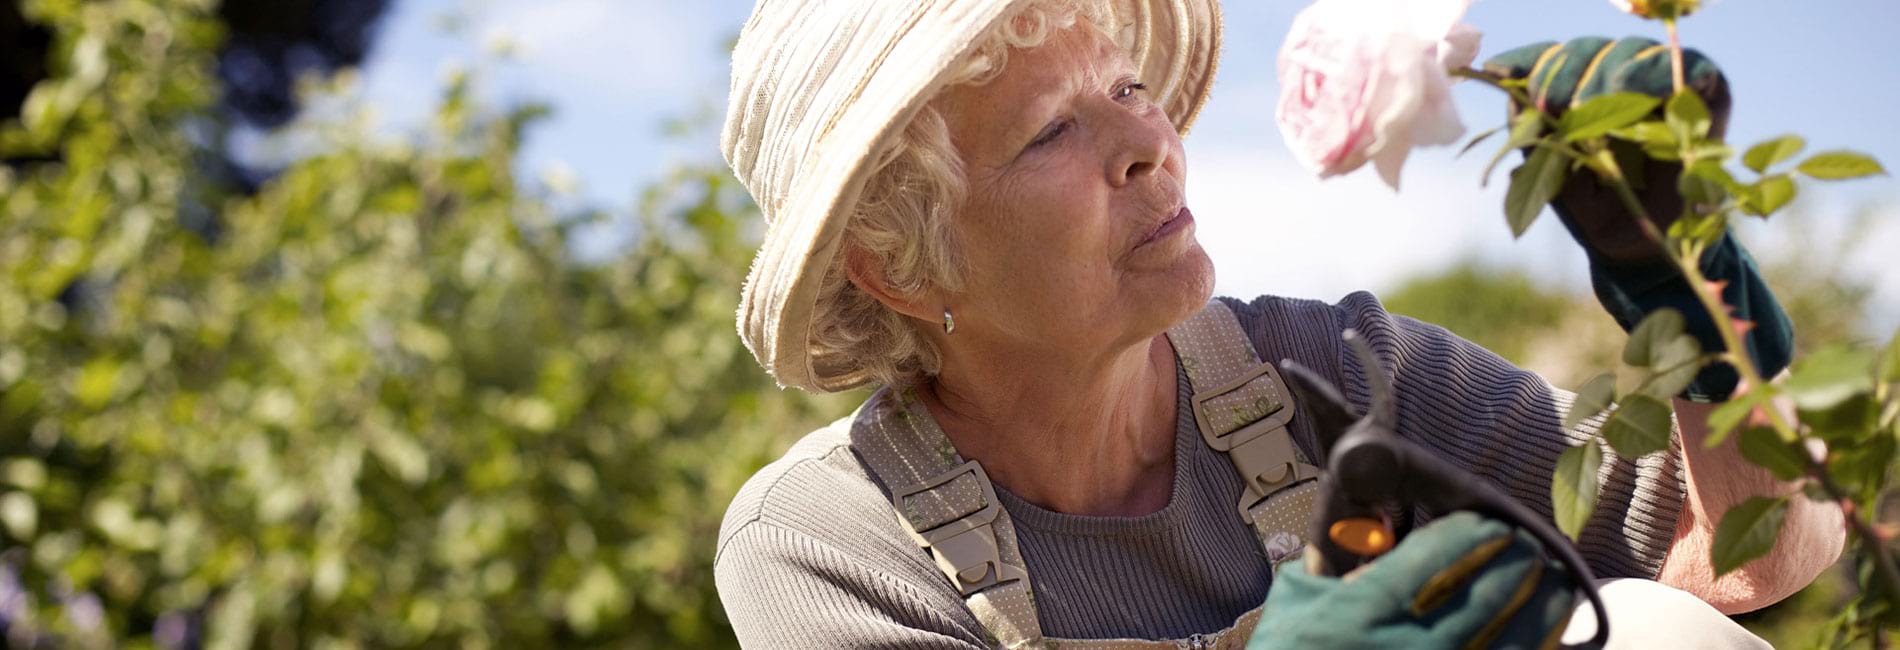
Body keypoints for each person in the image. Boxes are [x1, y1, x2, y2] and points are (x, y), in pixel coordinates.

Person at [712, 0, 1845, 647]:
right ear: (904, 263)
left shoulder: (1337, 367)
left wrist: (1690, 297)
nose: (1145, 141)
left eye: (1125, 88)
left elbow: (1759, 561)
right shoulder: (827, 542)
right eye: (1051, 130)